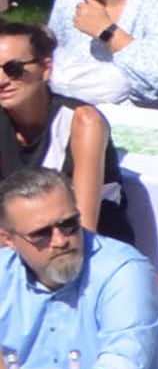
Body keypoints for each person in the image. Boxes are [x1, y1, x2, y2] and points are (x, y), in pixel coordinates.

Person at [0, 158, 158, 369]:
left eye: (69, 224)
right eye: (41, 234)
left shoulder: (123, 271)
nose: (60, 241)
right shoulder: (4, 272)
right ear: (9, 240)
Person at [0, 30, 111, 234]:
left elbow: (83, 228)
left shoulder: (83, 122)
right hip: (20, 240)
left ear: (45, 69)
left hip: (87, 243)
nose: (2, 81)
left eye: (13, 69)